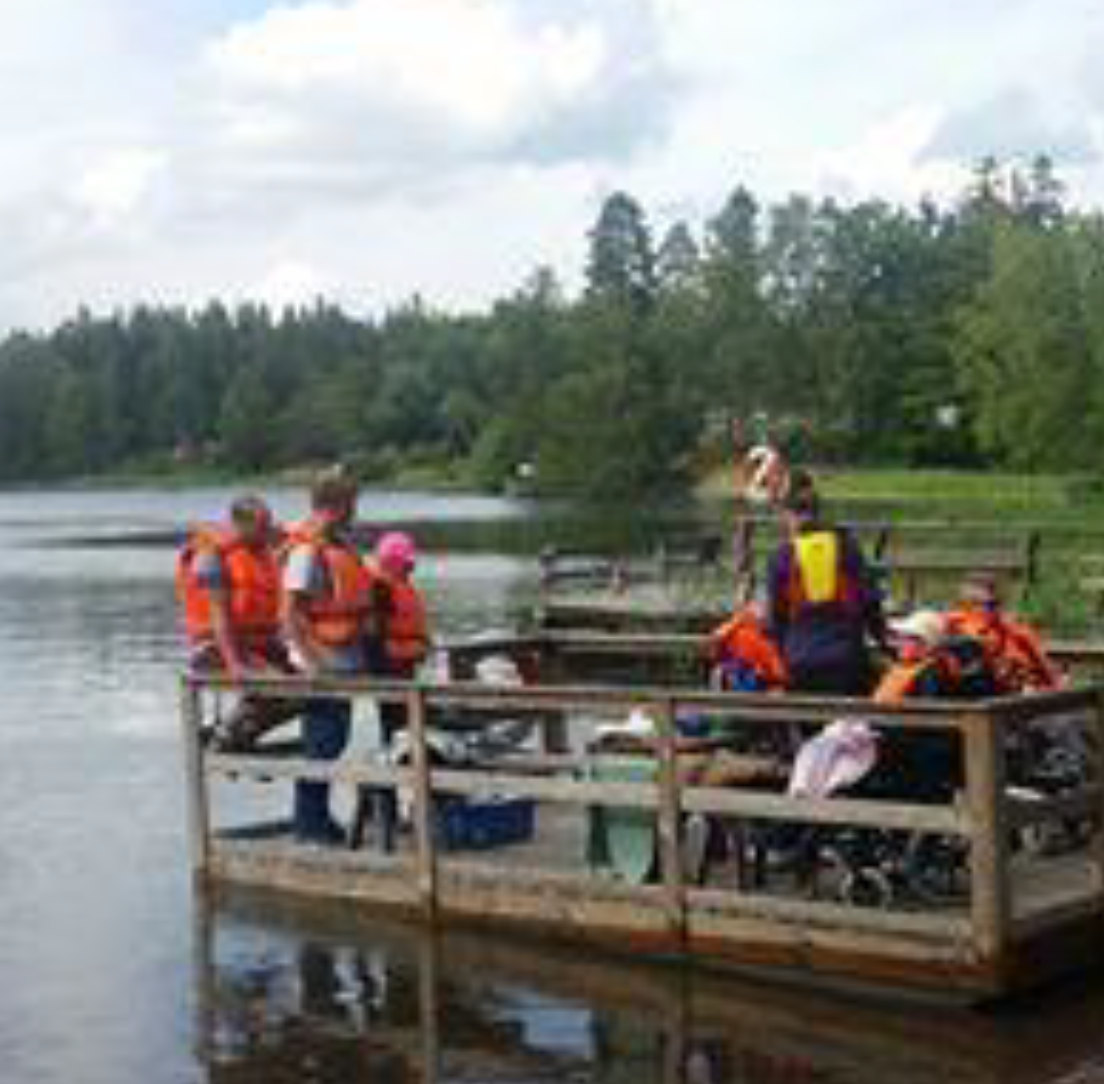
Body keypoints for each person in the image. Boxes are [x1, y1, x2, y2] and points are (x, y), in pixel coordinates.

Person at [282, 468, 373, 845]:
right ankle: (308, 825)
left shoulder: (338, 546)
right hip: (321, 663)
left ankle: (317, 819)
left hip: (343, 660)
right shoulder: (306, 550)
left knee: (333, 742)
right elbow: (291, 612)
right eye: (351, 504)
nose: (355, 512)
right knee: (320, 744)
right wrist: (313, 662)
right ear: (335, 505)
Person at [177, 494, 301, 750]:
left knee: (314, 693)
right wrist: (236, 665)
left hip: (260, 647)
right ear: (241, 525)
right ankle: (229, 736)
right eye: (262, 526)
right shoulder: (212, 557)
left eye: (269, 524)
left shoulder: (263, 551)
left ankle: (236, 735)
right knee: (282, 689)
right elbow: (218, 614)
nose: (269, 531)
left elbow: (294, 537)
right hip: (215, 647)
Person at [766, 470, 886, 696]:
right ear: (818, 513)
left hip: (799, 662)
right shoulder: (847, 547)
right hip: (847, 661)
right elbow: (871, 602)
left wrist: (784, 657)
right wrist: (884, 643)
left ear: (787, 516)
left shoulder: (781, 556)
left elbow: (776, 618)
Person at [351, 531, 431, 851]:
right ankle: (391, 810)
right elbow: (372, 638)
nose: (411, 570)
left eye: (411, 564)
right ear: (391, 561)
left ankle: (402, 808)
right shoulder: (378, 588)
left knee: (404, 740)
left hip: (405, 671)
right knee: (397, 743)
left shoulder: (399, 586)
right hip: (391, 675)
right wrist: (385, 675)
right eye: (406, 564)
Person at [944, 572, 1063, 693]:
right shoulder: (950, 625)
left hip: (1011, 692)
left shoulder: (1015, 632)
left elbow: (1045, 669)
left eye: (993, 604)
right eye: (977, 604)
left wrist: (1049, 686)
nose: (988, 610)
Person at [705, 596, 788, 692]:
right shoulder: (734, 632)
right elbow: (714, 643)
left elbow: (777, 676)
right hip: (735, 677)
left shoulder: (766, 642)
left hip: (753, 681)